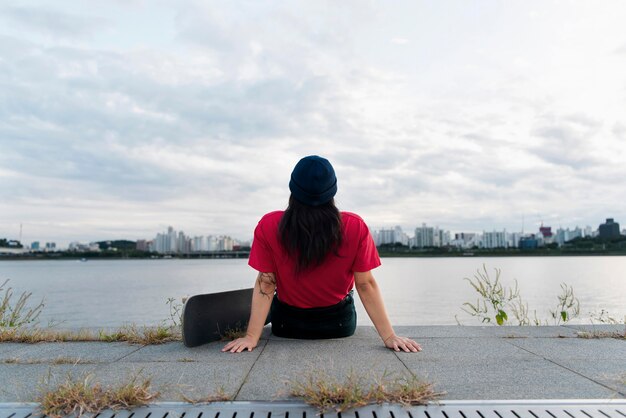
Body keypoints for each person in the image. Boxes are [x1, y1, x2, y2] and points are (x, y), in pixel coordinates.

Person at [222, 155, 422, 353]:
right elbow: (365, 284)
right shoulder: (355, 226)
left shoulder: (269, 225)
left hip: (288, 326)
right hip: (338, 326)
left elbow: (266, 282)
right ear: (333, 190)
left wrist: (251, 337)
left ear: (293, 188)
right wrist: (389, 336)